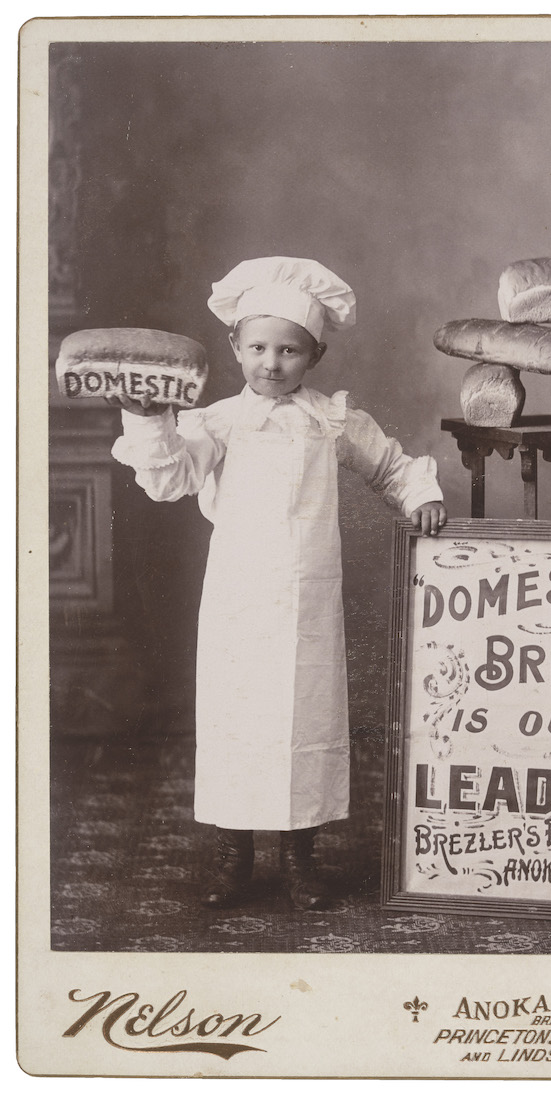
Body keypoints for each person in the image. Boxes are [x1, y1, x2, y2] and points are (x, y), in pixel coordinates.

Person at [109, 256, 447, 912]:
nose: (272, 362)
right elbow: (170, 477)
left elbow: (390, 465)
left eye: (289, 349)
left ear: (314, 354)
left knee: (306, 719)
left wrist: (420, 496)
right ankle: (233, 856)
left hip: (307, 605)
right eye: (258, 346)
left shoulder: (331, 420)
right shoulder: (217, 422)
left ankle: (300, 859)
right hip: (238, 600)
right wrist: (150, 418)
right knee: (238, 719)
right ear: (235, 346)